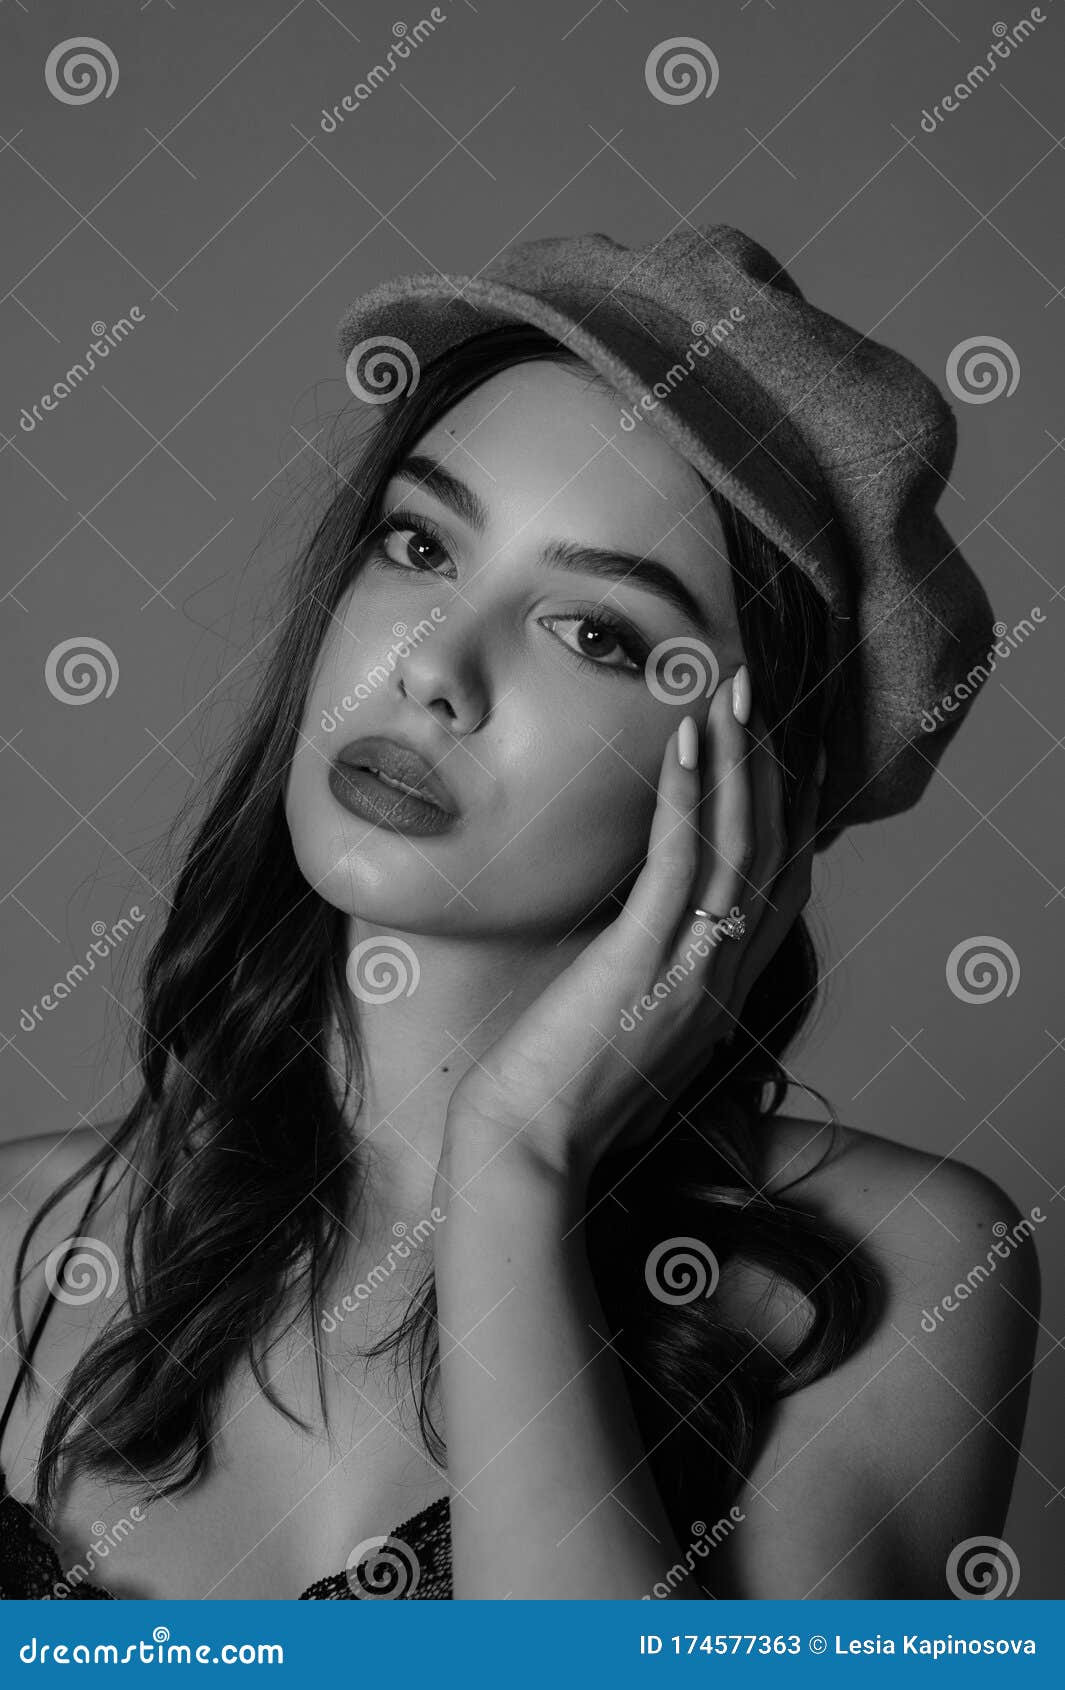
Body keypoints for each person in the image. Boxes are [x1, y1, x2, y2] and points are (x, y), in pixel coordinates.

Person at [0, 225, 1040, 1601]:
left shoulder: (891, 1273)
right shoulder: (15, 1226)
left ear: (754, 788)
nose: (436, 664)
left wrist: (514, 1160)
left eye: (599, 631)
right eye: (421, 543)